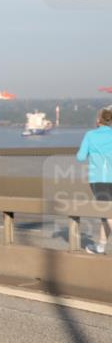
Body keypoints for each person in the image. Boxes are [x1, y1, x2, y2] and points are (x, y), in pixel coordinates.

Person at [76, 107, 112, 254]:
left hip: (100, 180)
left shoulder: (90, 135)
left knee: (108, 213)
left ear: (98, 120)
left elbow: (80, 156)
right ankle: (101, 247)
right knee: (106, 214)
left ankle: (101, 247)